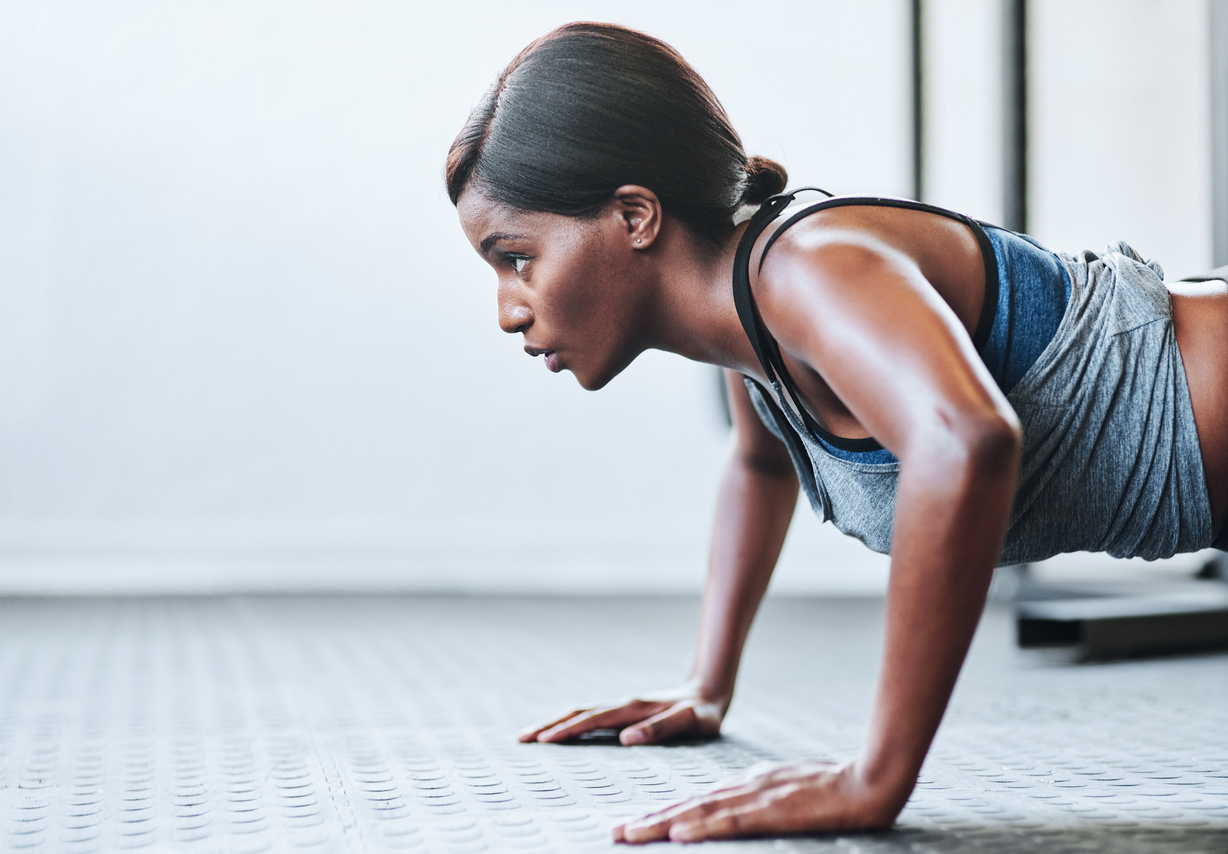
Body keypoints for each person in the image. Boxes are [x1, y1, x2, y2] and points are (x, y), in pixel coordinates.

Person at [445, 21, 1228, 844]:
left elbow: (965, 442)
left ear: (635, 215)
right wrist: (706, 685)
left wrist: (875, 777)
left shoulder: (809, 269)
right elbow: (757, 466)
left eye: (516, 258)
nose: (507, 311)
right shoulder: (748, 331)